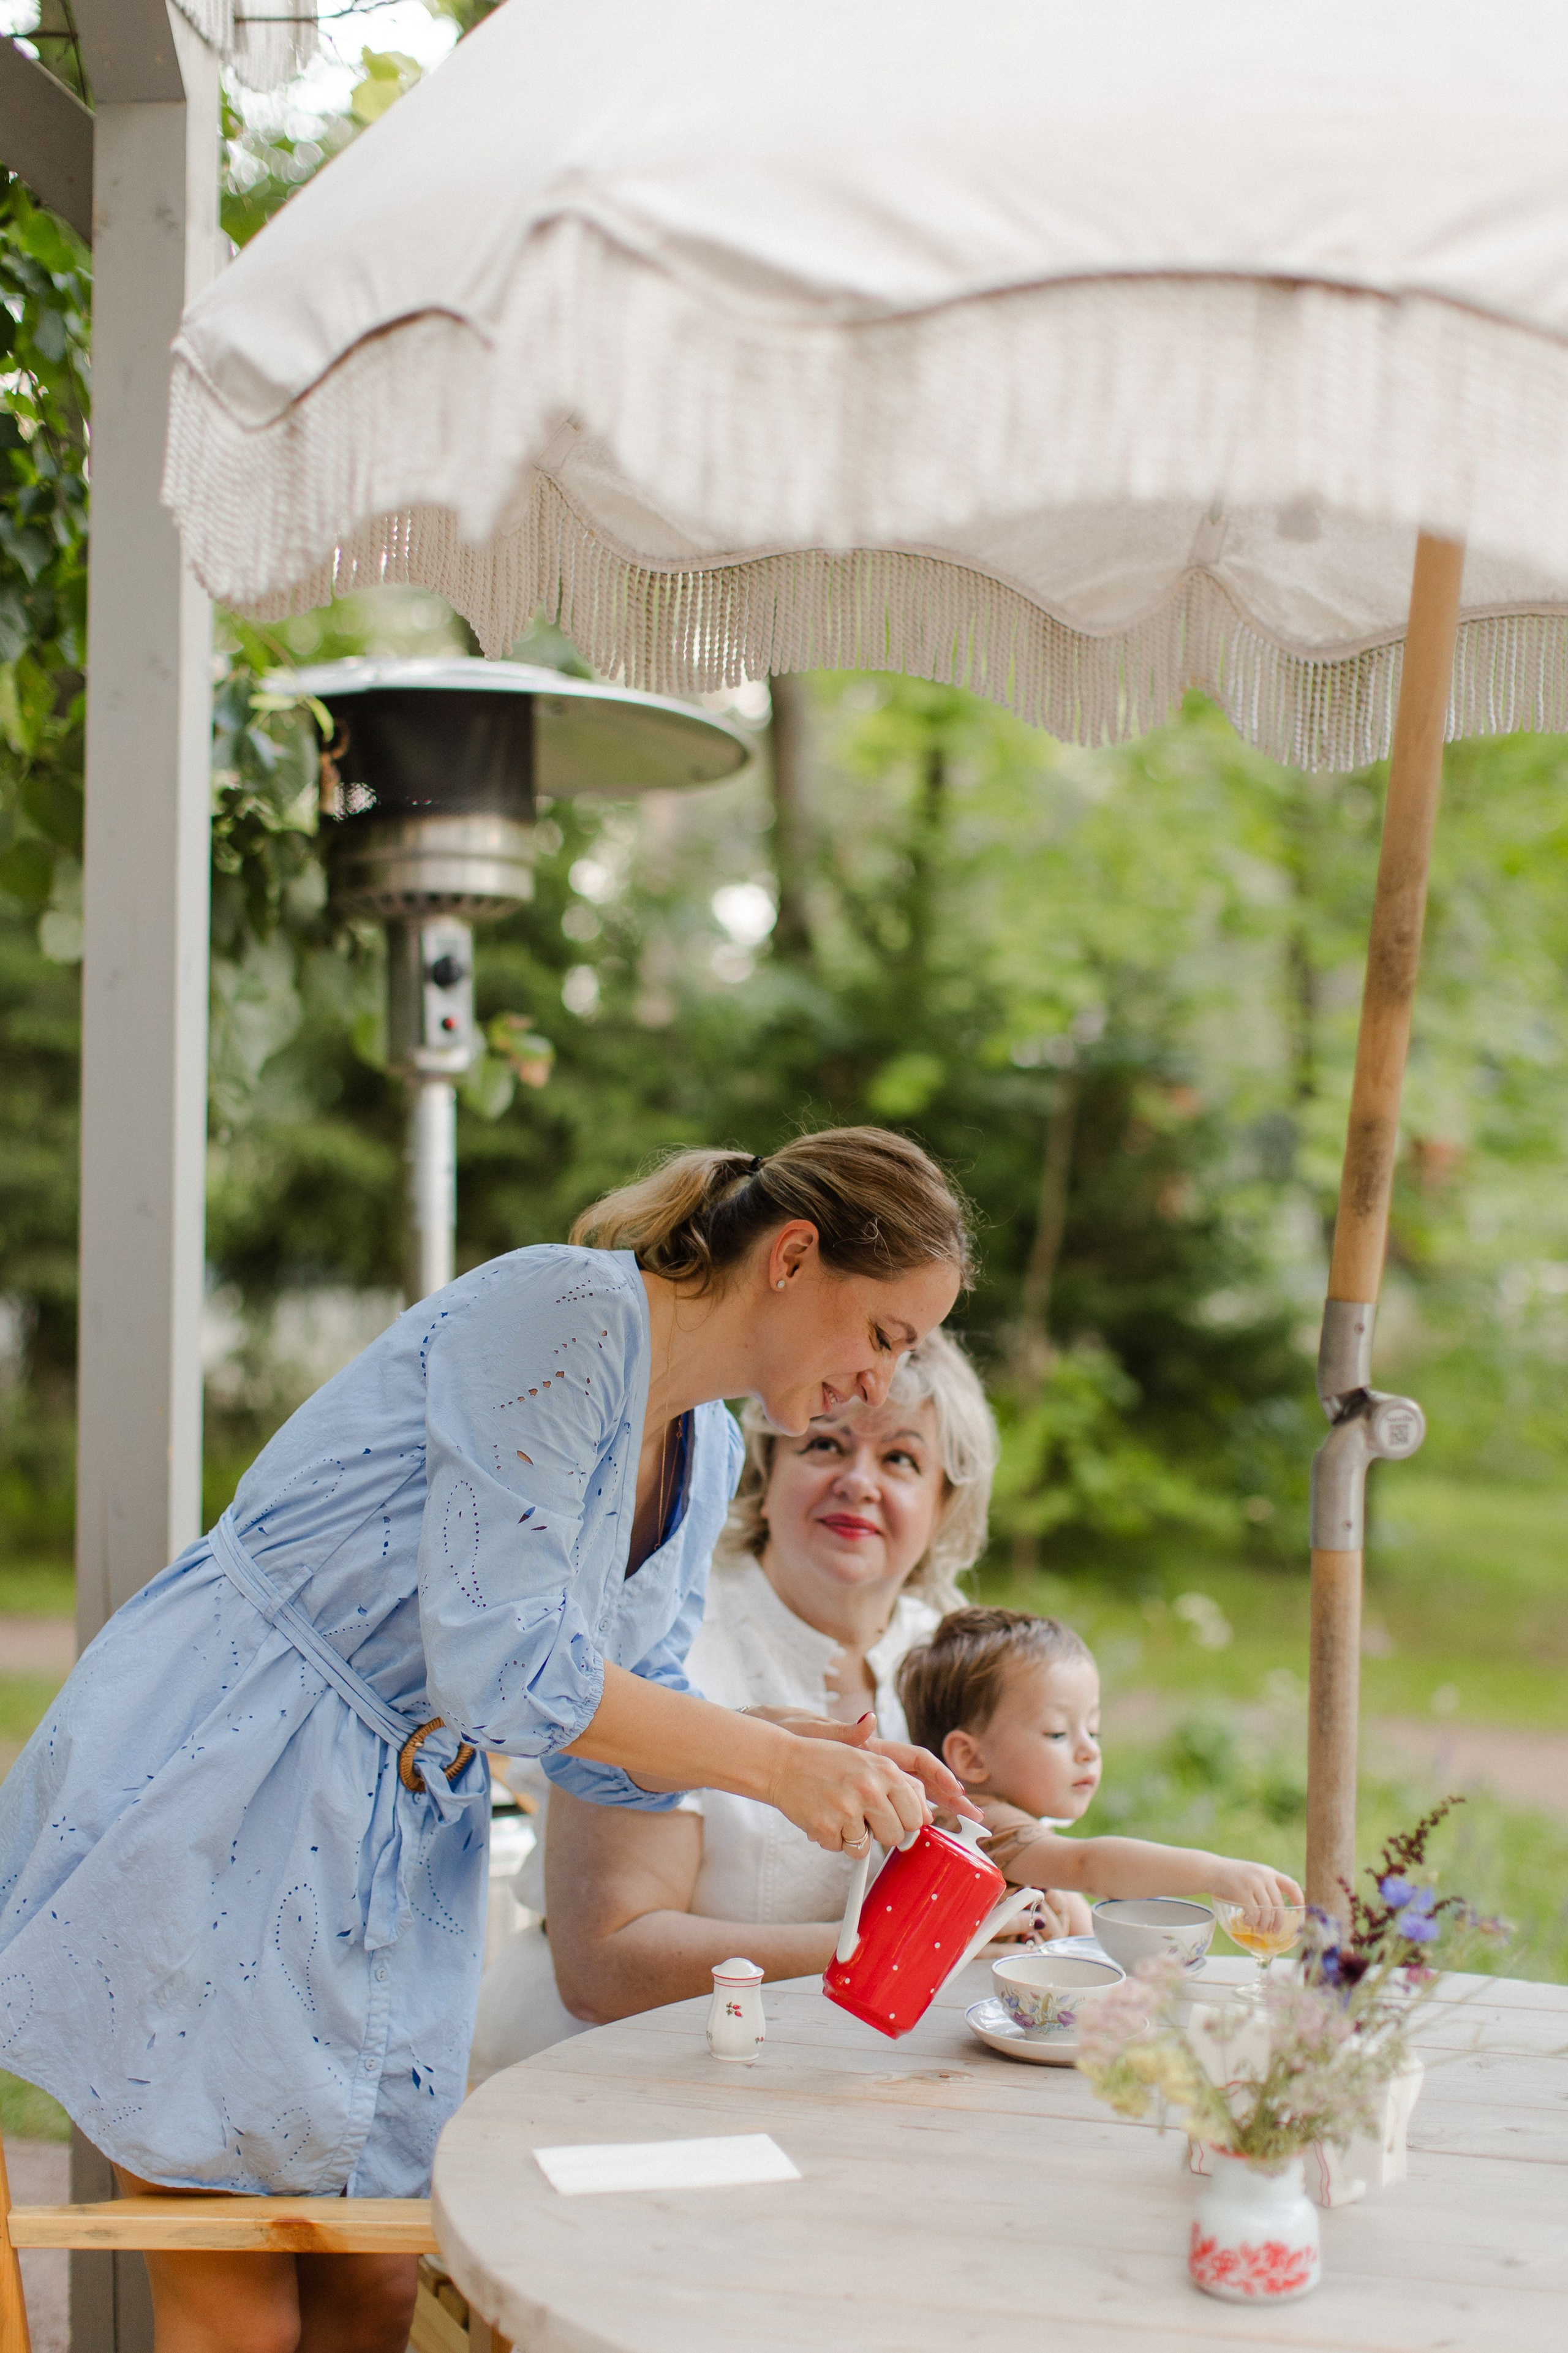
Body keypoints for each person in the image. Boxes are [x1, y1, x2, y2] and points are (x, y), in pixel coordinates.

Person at [0, 1129, 978, 2353]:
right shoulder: (562, 1319)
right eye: (883, 1335)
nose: (880, 1382)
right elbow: (508, 1670)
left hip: (385, 1853)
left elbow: (602, 1725)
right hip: (234, 1788)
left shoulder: (707, 1444)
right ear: (792, 1256)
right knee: (237, 2306)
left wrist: (815, 1751)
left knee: (370, 2286)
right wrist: (773, 1767)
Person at [479, 1331, 1079, 2052]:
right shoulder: (661, 1636)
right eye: (825, 1444)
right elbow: (605, 1967)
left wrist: (1042, 1896)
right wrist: (893, 1949)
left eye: (899, 1458)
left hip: (841, 2073)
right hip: (612, 2064)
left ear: (945, 1505)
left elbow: (1008, 1842)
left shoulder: (965, 1658)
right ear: (763, 1478)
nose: (859, 1479)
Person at [897, 1607, 1304, 1919]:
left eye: (1094, 1730)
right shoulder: (980, 1826)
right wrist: (1213, 1872)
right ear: (970, 1757)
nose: (1089, 1750)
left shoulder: (1000, 1832)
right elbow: (1088, 1864)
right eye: (1058, 1733)